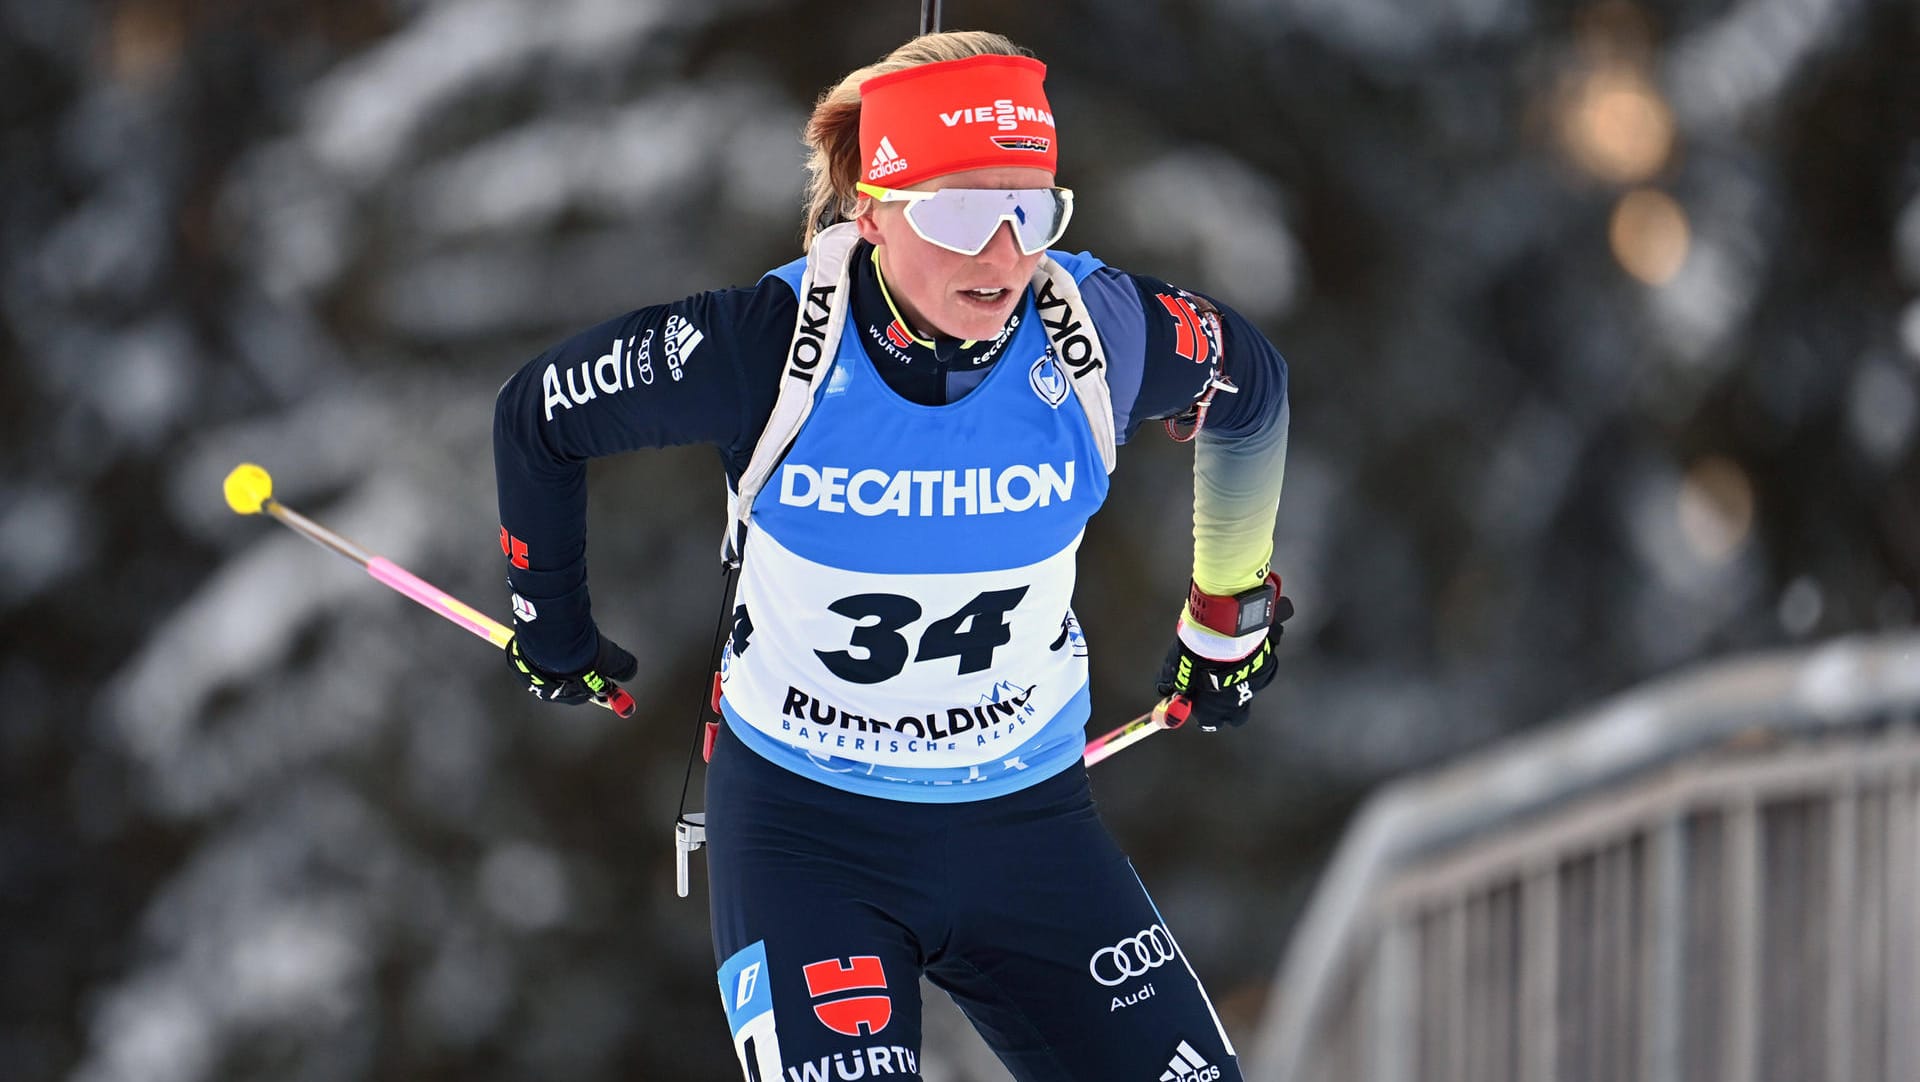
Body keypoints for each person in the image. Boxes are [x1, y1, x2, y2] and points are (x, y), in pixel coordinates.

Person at [492, 30, 1291, 1082]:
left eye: (1031, 210)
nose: (1003, 258)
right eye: (962, 211)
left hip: (1029, 828)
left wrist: (1225, 615)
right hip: (806, 836)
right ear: (870, 208)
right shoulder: (767, 347)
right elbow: (541, 414)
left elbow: (1253, 387)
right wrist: (551, 621)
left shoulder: (1101, 335)